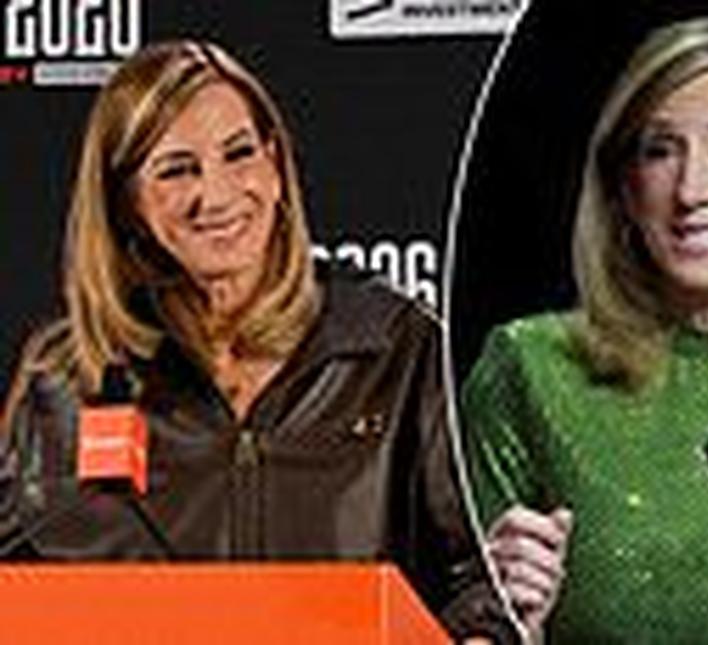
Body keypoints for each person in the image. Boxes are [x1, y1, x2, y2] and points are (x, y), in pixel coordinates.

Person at [0, 40, 519, 643]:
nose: (217, 194)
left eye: (239, 153)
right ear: (127, 202)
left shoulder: (397, 349)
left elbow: (486, 577)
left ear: (274, 166)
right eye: (176, 169)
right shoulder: (70, 379)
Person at [461, 16, 708, 643]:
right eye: (659, 151)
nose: (690, 189)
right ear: (625, 191)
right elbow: (459, 619)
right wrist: (513, 626)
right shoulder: (531, 368)